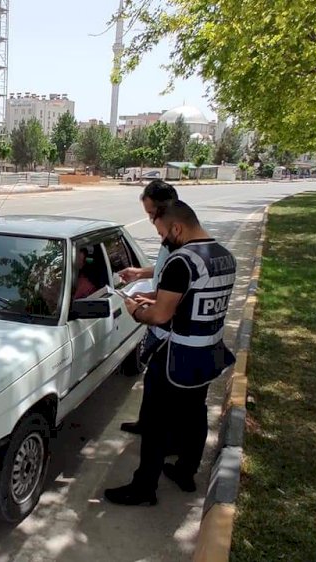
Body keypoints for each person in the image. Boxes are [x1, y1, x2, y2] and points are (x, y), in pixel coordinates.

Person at [103, 200, 236, 506]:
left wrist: (136, 310)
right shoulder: (223, 257)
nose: (163, 239)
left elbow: (161, 316)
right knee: (194, 414)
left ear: (177, 227)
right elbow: (189, 299)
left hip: (176, 357)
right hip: (208, 353)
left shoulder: (182, 262)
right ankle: (186, 471)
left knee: (154, 422)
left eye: (163, 232)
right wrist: (154, 296)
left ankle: (143, 488)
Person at [117, 180, 178, 436]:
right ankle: (147, 423)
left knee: (168, 390)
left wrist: (140, 309)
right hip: (160, 327)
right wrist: (141, 272)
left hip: (172, 333)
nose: (152, 223)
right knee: (152, 382)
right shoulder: (169, 238)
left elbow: (174, 290)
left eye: (152, 214)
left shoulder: (181, 239)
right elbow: (165, 268)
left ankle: (162, 438)